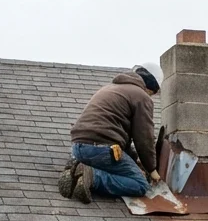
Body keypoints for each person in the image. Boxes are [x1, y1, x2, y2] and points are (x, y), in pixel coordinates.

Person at [61, 62, 163, 203]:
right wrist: (151, 169)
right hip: (102, 149)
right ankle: (92, 176)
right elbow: (144, 138)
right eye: (152, 94)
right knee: (140, 184)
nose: (150, 97)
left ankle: (77, 168)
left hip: (78, 148)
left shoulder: (110, 88)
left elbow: (119, 136)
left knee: (113, 162)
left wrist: (134, 160)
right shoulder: (141, 96)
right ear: (150, 87)